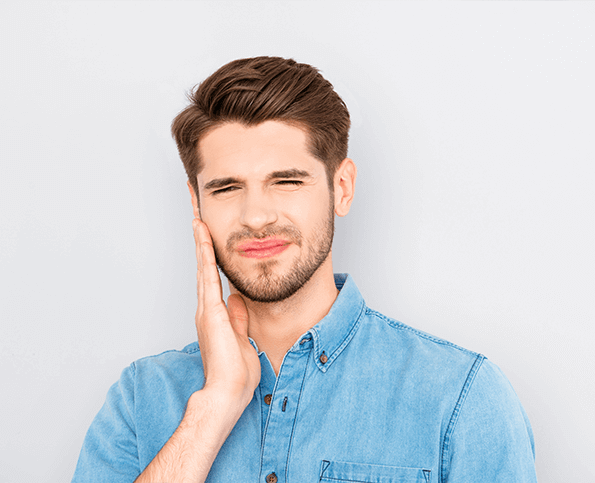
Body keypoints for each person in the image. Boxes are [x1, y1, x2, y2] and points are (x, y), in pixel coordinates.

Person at [72, 56, 538, 483]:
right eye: (227, 188)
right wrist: (212, 410)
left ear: (342, 187)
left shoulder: (462, 398)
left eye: (287, 181)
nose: (256, 216)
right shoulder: (139, 400)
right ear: (196, 203)